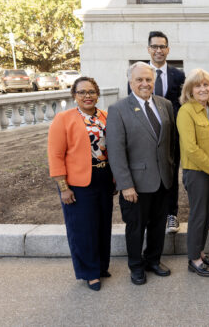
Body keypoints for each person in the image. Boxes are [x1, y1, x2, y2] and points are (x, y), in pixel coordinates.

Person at [107, 62, 176, 285]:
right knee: (136, 228)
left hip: (163, 180)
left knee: (157, 225)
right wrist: (126, 185)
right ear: (130, 82)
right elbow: (116, 151)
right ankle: (136, 266)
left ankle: (153, 260)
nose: (145, 84)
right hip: (135, 185)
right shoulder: (118, 110)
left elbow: (170, 143)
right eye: (139, 80)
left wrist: (172, 171)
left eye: (148, 79)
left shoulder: (165, 105)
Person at [47, 77, 114, 291]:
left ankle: (102, 266)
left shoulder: (106, 117)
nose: (88, 96)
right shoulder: (63, 119)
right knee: (83, 229)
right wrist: (63, 188)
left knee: (103, 225)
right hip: (78, 184)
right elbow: (55, 155)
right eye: (82, 92)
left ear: (98, 94)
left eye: (92, 92)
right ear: (74, 95)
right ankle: (89, 272)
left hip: (104, 179)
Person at [177, 68, 209, 277]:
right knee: (198, 215)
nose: (202, 89)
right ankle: (194, 259)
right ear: (190, 89)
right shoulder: (186, 111)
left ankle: (200, 250)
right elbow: (190, 147)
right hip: (197, 172)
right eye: (198, 85)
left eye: (206, 85)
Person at [143, 31, 186, 234]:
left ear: (168, 49)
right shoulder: (139, 74)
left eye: (162, 46)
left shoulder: (178, 75)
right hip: (148, 136)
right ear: (148, 49)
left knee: (170, 175)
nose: (158, 50)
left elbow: (183, 104)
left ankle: (171, 214)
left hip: (172, 137)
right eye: (155, 46)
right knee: (149, 174)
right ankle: (152, 214)